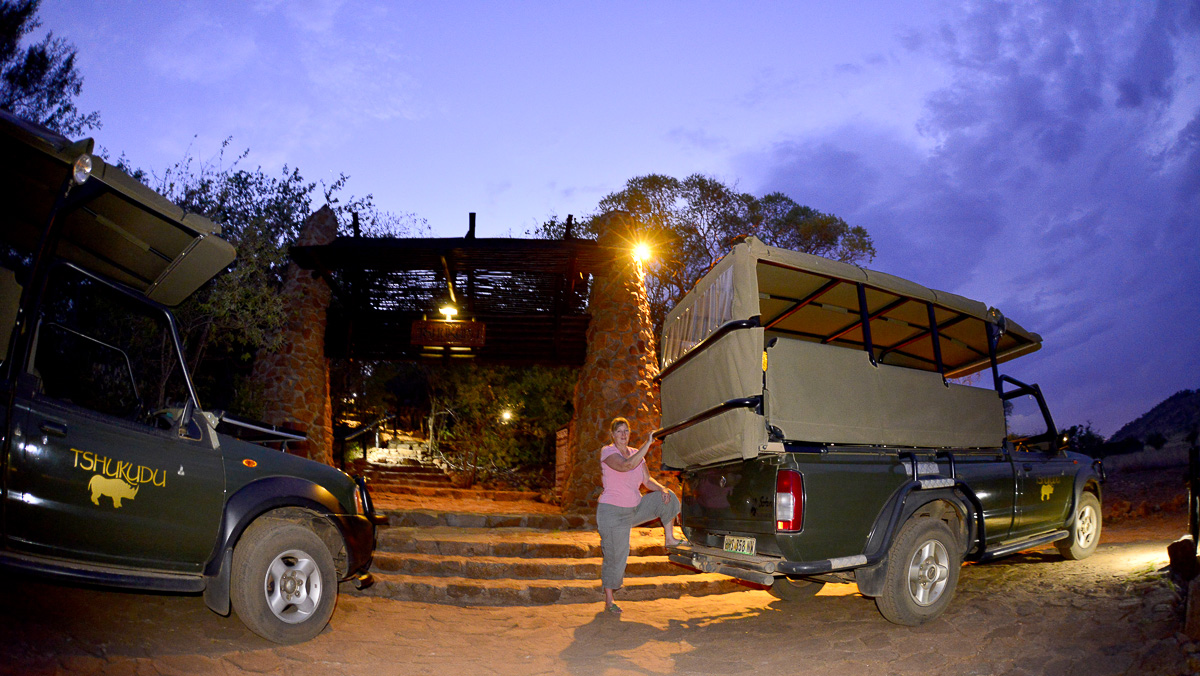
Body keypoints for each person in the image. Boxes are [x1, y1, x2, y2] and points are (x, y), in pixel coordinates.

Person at [597, 416, 682, 614]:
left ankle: (669, 539)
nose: (623, 435)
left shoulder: (636, 453)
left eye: (626, 431)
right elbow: (626, 465)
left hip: (634, 508)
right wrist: (648, 443)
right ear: (612, 435)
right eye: (619, 431)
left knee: (667, 496)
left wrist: (661, 488)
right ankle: (610, 599)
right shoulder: (608, 452)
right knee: (617, 555)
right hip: (612, 513)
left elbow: (647, 479)